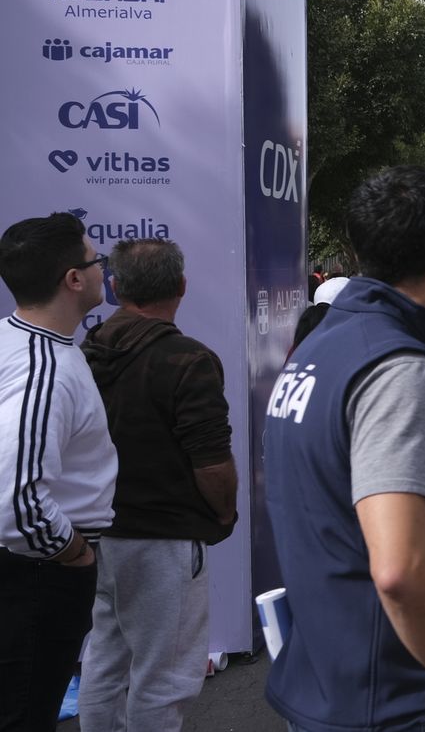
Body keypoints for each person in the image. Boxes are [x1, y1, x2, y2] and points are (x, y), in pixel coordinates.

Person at [263, 166, 425, 731]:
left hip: (332, 678)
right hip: (396, 697)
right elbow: (401, 569)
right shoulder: (397, 366)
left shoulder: (325, 342)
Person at [78, 239, 238, 732]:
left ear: (115, 286)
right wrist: (225, 513)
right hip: (162, 539)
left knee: (106, 659)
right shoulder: (186, 360)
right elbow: (211, 462)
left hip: (94, 534)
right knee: (163, 678)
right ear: (182, 287)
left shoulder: (85, 352)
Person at [0, 213, 116, 730]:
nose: (102, 270)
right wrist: (76, 553)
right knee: (27, 711)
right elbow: (18, 503)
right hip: (36, 576)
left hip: (29, 571)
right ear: (73, 279)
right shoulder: (44, 368)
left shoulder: (16, 341)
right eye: (96, 261)